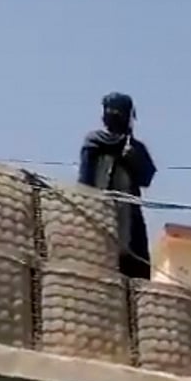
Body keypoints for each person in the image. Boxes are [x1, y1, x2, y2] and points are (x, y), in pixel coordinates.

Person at [78, 92, 156, 280]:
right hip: (100, 210)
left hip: (130, 216)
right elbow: (84, 181)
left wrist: (133, 158)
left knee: (135, 265)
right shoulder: (94, 142)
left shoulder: (135, 147)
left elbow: (146, 178)